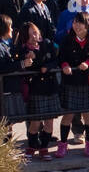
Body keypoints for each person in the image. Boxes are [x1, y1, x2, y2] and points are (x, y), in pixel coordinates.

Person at [57, 11, 89, 157]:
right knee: (68, 115)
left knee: (88, 115)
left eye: (79, 23)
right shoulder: (66, 39)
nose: (76, 26)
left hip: (88, 81)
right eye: (75, 22)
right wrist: (64, 65)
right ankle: (62, 145)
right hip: (71, 81)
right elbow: (61, 58)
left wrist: (88, 63)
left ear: (87, 25)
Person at [17, 20, 61, 160]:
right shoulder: (23, 50)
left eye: (35, 32)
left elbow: (56, 60)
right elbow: (28, 69)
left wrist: (47, 67)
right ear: (26, 38)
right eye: (31, 35)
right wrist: (33, 61)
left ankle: (44, 148)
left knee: (49, 121)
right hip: (36, 88)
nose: (35, 37)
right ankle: (31, 146)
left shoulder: (47, 43)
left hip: (50, 87)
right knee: (35, 122)